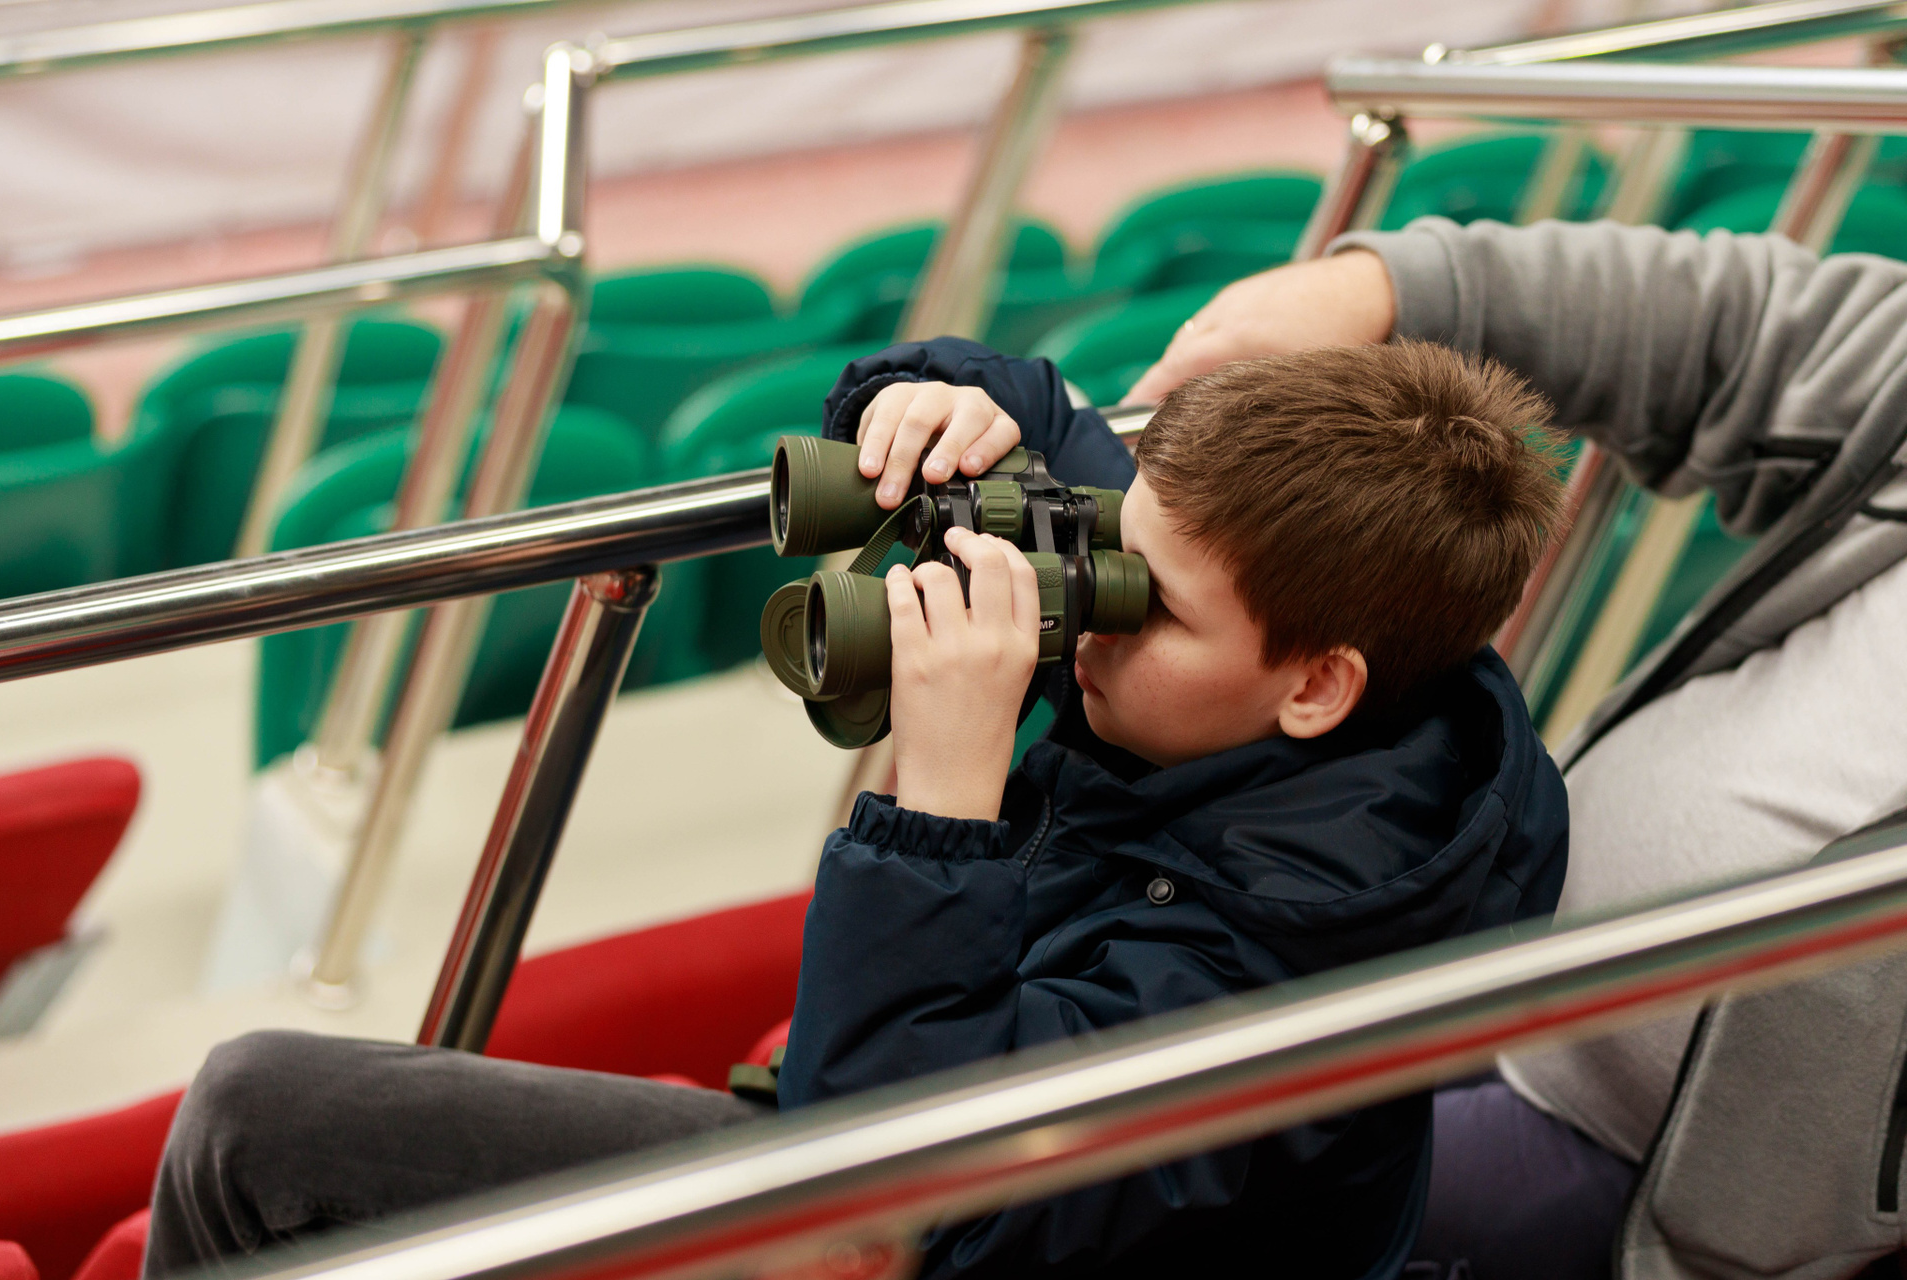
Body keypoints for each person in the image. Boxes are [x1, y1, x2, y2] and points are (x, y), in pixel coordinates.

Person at [147, 335, 1570, 1280]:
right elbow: (1048, 416)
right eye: (1109, 548)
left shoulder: (1283, 966)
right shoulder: (1306, 641)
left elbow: (879, 1194)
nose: (1091, 606)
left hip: (911, 1202)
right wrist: (932, 403)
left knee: (255, 1120)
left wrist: (939, 805)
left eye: (1150, 604)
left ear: (1317, 685)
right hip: (910, 1131)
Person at [1127, 217, 1907, 1280]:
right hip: (1485, 950)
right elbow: (1733, 328)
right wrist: (1386, 291)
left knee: (1142, 1205)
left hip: (1647, 1174)